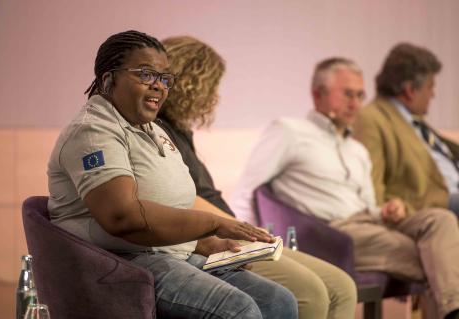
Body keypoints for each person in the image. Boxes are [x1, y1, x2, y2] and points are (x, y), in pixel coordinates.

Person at [47, 30, 298, 319]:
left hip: (166, 253)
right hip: (119, 262)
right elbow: (122, 218)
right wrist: (213, 224)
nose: (159, 87)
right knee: (238, 310)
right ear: (108, 79)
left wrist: (211, 245)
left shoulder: (152, 130)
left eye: (164, 78)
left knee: (278, 301)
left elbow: (166, 209)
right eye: (145, 74)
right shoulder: (93, 132)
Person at [231, 57, 459, 319]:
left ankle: (453, 308)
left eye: (361, 95)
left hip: (372, 224)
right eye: (348, 94)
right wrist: (247, 245)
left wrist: (387, 210)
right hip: (334, 233)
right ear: (318, 94)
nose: (356, 104)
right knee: (441, 255)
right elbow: (247, 190)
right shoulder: (289, 132)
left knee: (441, 219)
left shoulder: (357, 149)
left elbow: (369, 205)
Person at [155, 35, 357, 319]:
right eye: (213, 87)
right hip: (213, 239)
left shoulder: (179, 130)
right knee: (311, 291)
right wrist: (241, 228)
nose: (216, 97)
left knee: (342, 286)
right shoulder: (156, 130)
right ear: (193, 84)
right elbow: (184, 200)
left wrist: (249, 231)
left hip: (232, 231)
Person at [353, 43, 459, 218]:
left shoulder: (416, 122)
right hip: (433, 206)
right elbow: (373, 187)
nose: (433, 94)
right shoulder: (371, 119)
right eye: (430, 87)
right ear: (410, 90)